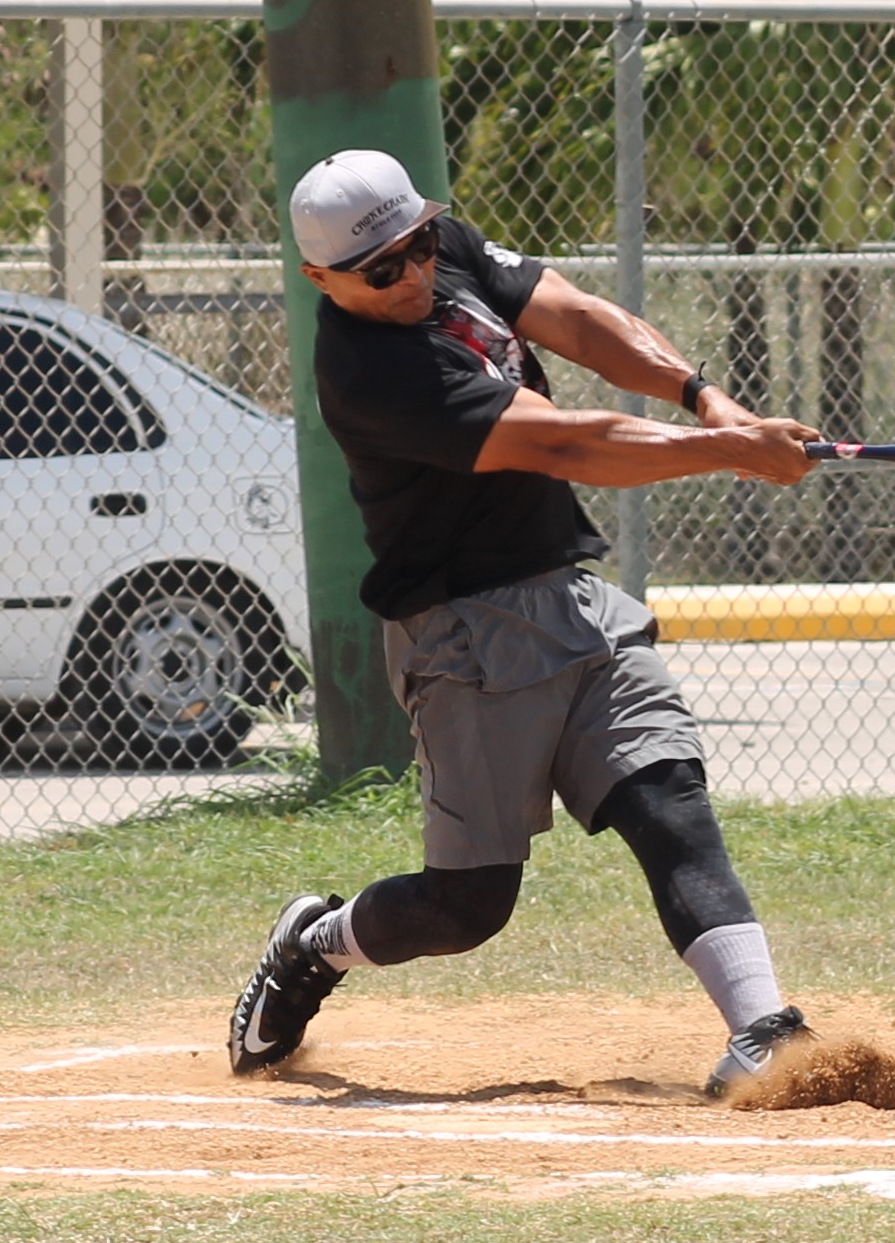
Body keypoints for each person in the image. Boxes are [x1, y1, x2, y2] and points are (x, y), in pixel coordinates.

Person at [228, 148, 822, 1094]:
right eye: (382, 269)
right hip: (462, 634)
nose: (415, 272)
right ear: (319, 278)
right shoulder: (370, 374)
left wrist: (706, 398)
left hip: (572, 596)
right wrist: (726, 452)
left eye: (420, 243)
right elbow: (564, 442)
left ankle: (765, 1029)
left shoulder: (434, 250)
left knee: (668, 803)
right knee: (467, 908)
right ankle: (317, 943)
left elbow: (581, 319)